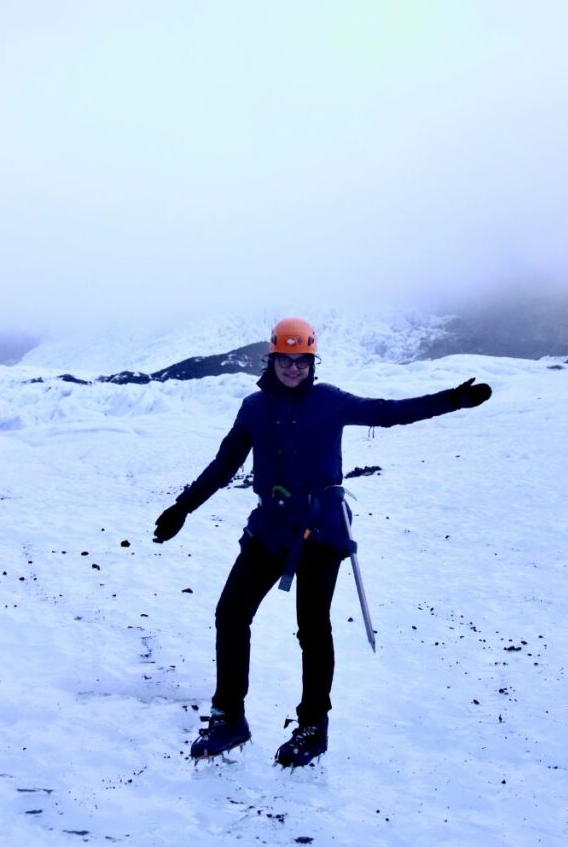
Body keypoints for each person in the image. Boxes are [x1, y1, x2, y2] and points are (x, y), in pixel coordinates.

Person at [153, 317, 492, 766]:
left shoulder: (329, 402)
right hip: (270, 528)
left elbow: (389, 412)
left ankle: (313, 726)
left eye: (302, 360)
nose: (293, 368)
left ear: (313, 362)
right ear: (271, 360)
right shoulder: (253, 409)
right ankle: (229, 717)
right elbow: (224, 465)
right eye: (285, 359)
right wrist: (183, 507)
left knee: (312, 628)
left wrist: (453, 400)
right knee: (230, 613)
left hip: (321, 530)